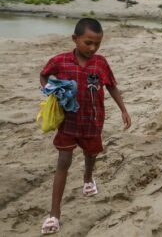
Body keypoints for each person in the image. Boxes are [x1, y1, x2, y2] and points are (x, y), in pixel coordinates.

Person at [40, 18, 131, 234]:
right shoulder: (60, 61)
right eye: (88, 43)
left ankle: (88, 178)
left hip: (93, 121)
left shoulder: (100, 63)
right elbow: (44, 74)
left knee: (91, 155)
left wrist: (124, 109)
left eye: (97, 44)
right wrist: (49, 90)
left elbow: (112, 86)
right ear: (75, 39)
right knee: (63, 162)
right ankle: (54, 214)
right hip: (68, 122)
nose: (92, 48)